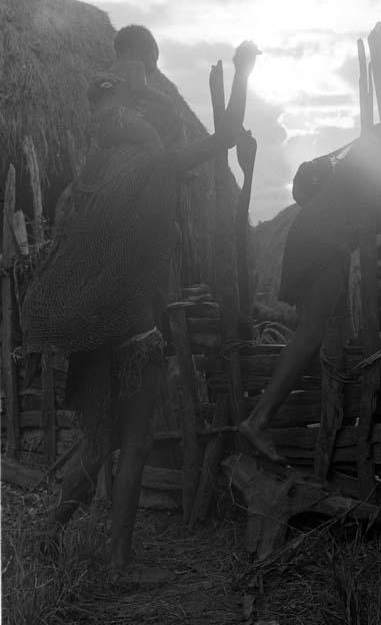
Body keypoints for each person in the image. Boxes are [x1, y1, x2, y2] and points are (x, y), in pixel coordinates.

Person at [22, 36, 260, 574]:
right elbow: (224, 136)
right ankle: (120, 560)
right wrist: (243, 72)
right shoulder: (159, 159)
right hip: (133, 325)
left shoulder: (95, 170)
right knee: (134, 441)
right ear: (149, 67)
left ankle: (50, 534)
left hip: (89, 322)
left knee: (99, 439)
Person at [240, 93, 381, 463]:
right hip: (323, 243)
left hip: (314, 237)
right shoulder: (379, 156)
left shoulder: (366, 153)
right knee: (312, 332)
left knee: (321, 332)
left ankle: (286, 416)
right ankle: (258, 419)